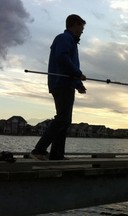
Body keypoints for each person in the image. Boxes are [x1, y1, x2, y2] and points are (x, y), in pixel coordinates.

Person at [30, 14, 87, 160]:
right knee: (62, 119)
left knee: (65, 120)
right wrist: (78, 73)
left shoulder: (71, 42)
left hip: (66, 84)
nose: (82, 30)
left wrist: (78, 84)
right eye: (82, 26)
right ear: (75, 24)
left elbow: (70, 67)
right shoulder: (64, 38)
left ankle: (56, 154)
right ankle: (39, 150)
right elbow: (62, 59)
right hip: (61, 84)